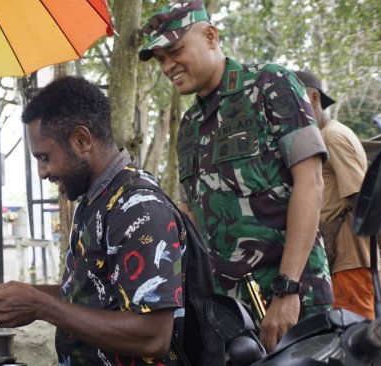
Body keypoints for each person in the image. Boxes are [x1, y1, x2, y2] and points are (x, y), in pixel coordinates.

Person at [139, 0, 333, 351]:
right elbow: (195, 216)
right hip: (230, 313)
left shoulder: (271, 84)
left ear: (211, 36)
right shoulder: (189, 127)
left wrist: (288, 289)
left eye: (175, 50)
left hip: (293, 299)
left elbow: (311, 182)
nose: (168, 66)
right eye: (160, 60)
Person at [0, 76, 185, 365]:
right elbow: (90, 294)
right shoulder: (94, 201)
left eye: (45, 157)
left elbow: (153, 336)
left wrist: (41, 306)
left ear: (82, 140)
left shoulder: (139, 207)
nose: (42, 172)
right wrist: (23, 294)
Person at [296, 70, 374, 320]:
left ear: (314, 98)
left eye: (298, 101)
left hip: (349, 258)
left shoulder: (333, 136)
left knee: (356, 332)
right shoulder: (326, 135)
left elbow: (363, 196)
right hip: (341, 257)